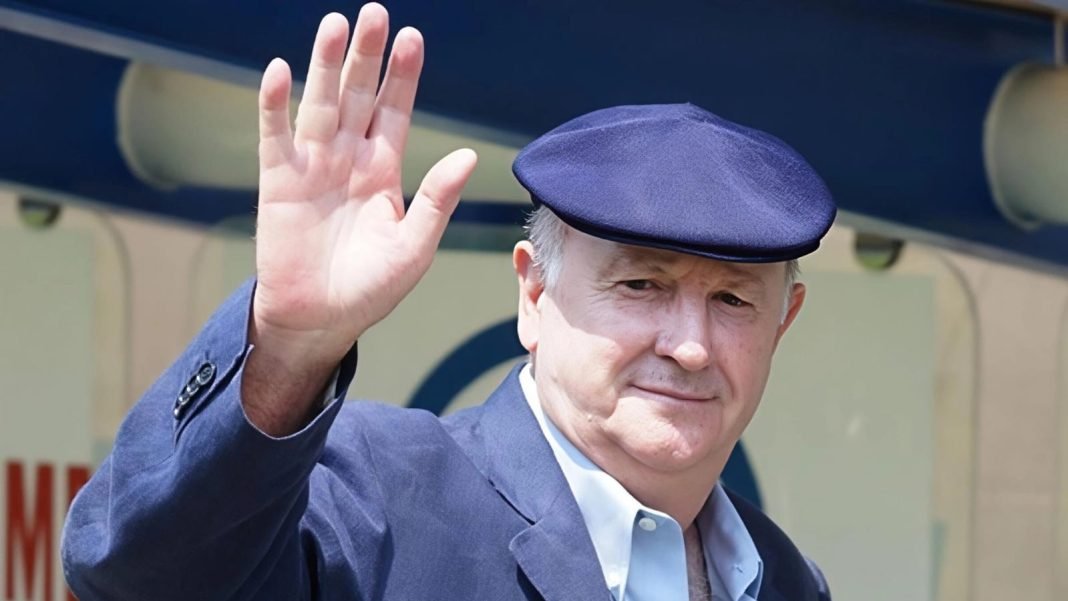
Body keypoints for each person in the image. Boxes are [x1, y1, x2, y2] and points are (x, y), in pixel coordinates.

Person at [62, 4, 835, 600]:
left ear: (784, 322)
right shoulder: (374, 497)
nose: (690, 345)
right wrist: (288, 345)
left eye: (733, 299)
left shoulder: (785, 578)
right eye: (642, 285)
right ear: (533, 291)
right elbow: (141, 579)